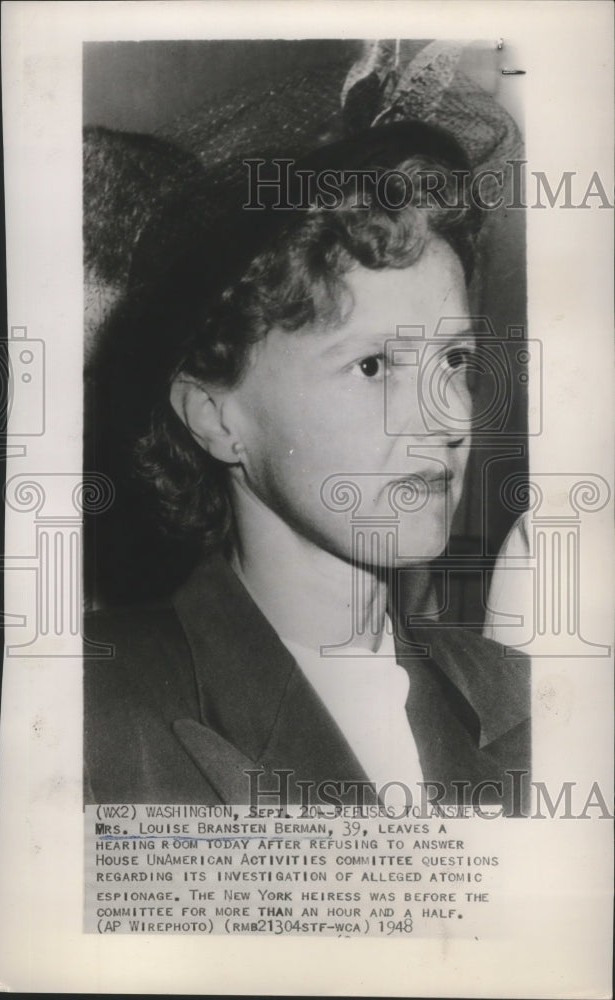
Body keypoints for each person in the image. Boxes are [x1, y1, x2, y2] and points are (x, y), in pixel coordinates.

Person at [84, 121, 530, 812]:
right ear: (216, 418)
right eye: (374, 365)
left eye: (455, 361)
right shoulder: (85, 708)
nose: (449, 420)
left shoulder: (529, 702)